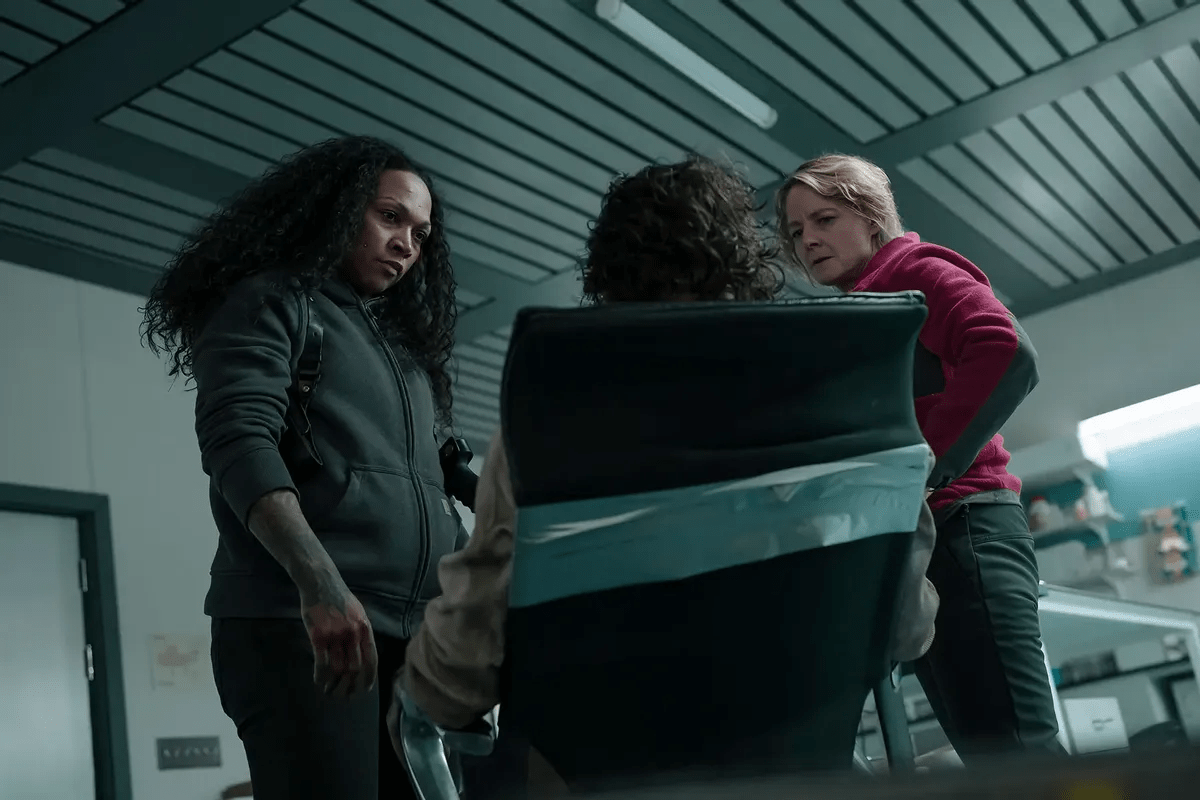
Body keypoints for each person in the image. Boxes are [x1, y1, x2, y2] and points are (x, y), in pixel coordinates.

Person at [393, 154, 939, 755]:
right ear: (743, 263)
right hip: (800, 766)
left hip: (604, 773)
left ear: (612, 280)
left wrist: (417, 688)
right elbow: (908, 628)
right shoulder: (843, 403)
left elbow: (455, 680)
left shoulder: (551, 422)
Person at [140, 135, 469, 800]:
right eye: (390, 217)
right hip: (307, 623)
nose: (407, 244)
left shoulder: (402, 348)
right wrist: (320, 585)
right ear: (337, 209)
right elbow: (240, 440)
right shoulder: (273, 301)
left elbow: (438, 464)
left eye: (421, 233)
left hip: (413, 640)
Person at [775, 153, 1061, 761]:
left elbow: (1006, 350)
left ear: (872, 215)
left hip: (965, 526)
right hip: (921, 542)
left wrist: (926, 469)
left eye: (824, 219)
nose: (808, 241)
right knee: (994, 758)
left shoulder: (916, 272)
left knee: (1020, 754)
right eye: (797, 232)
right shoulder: (859, 311)